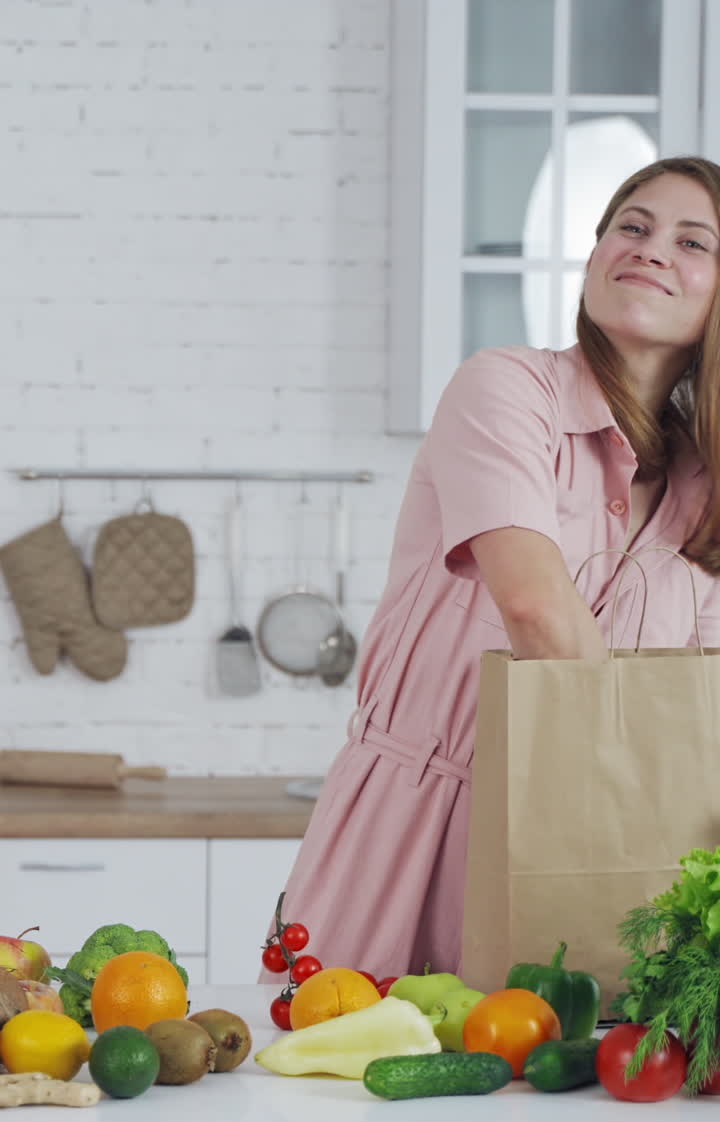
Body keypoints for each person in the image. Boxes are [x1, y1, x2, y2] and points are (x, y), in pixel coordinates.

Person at [260, 154, 720, 984]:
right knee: (342, 1088)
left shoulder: (706, 488)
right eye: (633, 226)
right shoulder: (507, 389)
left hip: (605, 865)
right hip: (415, 839)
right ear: (594, 256)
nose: (650, 249)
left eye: (693, 241)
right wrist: (637, 797)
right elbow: (537, 610)